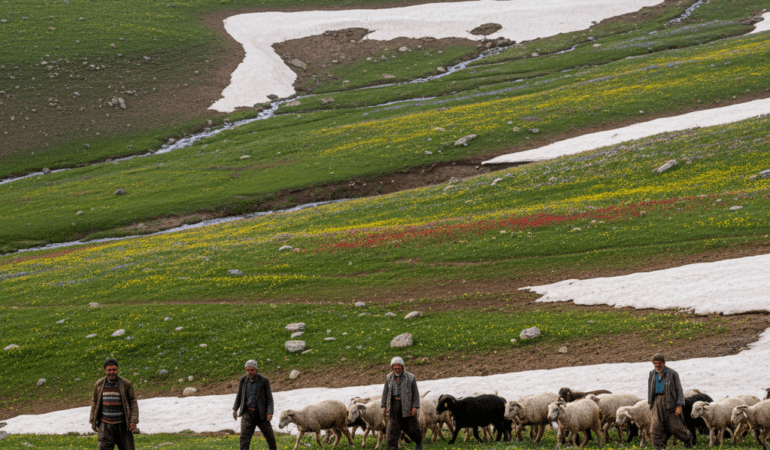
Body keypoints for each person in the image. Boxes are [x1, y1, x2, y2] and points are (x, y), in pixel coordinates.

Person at [89, 358, 139, 450]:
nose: (112, 372)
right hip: (105, 426)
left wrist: (133, 420)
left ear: (117, 370)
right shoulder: (99, 384)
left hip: (123, 425)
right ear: (105, 370)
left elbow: (133, 401)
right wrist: (92, 419)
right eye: (109, 370)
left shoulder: (126, 384)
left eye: (114, 370)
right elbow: (95, 402)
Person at [648, 353, 693, 449]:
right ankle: (660, 447)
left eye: (659, 363)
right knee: (655, 428)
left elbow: (679, 390)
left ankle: (688, 440)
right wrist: (650, 402)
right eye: (655, 363)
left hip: (670, 402)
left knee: (675, 427)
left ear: (663, 363)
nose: (657, 365)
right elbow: (650, 389)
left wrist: (679, 405)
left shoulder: (672, 373)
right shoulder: (652, 373)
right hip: (657, 402)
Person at [233, 360, 277, 450]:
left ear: (256, 370)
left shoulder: (264, 380)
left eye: (252, 370)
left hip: (261, 415)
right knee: (244, 439)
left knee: (270, 437)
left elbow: (269, 399)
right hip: (247, 414)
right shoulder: (243, 380)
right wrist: (235, 409)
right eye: (248, 370)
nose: (250, 372)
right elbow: (239, 395)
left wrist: (270, 412)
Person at [381, 356, 422, 450]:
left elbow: (415, 393)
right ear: (392, 367)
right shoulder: (389, 377)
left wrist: (415, 406)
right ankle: (392, 448)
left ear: (402, 366)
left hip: (407, 406)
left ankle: (419, 444)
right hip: (393, 406)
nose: (396, 369)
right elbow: (385, 392)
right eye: (394, 367)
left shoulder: (410, 377)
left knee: (412, 429)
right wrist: (383, 406)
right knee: (392, 430)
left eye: (398, 367)